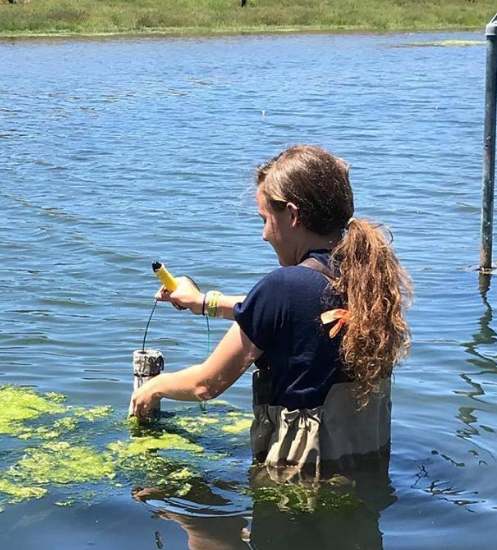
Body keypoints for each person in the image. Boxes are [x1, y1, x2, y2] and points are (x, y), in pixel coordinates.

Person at [130, 144, 411, 476]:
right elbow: (284, 312)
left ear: (292, 215)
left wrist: (153, 387)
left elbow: (206, 385)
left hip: (300, 483)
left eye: (265, 219)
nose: (264, 235)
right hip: (365, 467)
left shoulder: (283, 287)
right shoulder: (367, 278)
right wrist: (204, 302)